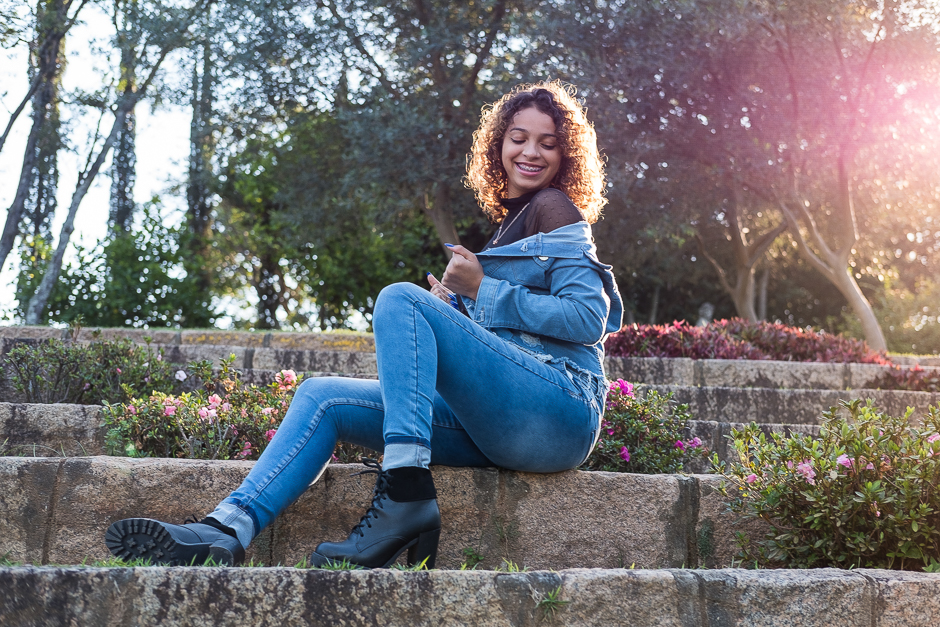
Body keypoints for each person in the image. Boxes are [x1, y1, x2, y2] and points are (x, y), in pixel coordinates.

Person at [104, 81, 624, 569]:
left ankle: (404, 491)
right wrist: (461, 308)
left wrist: (480, 290)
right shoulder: (510, 221)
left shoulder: (554, 207)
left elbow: (588, 317)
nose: (531, 152)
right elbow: (511, 338)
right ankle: (227, 530)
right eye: (518, 138)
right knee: (321, 396)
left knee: (401, 300)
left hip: (562, 410)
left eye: (547, 143)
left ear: (565, 156)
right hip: (502, 428)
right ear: (499, 146)